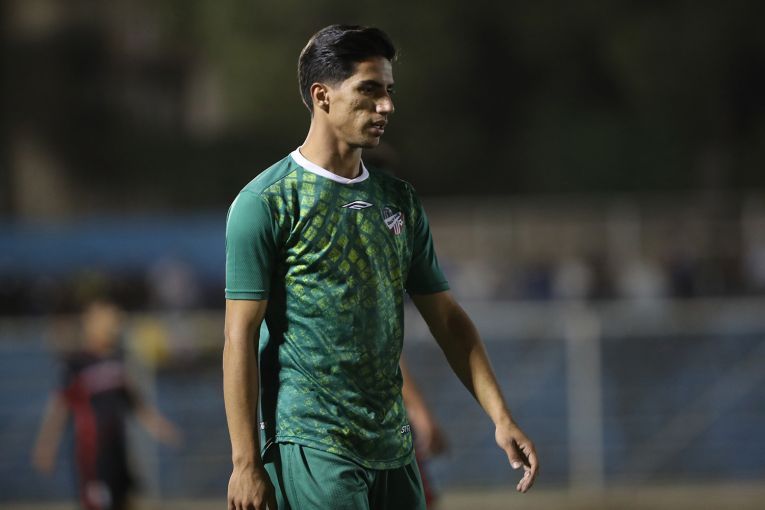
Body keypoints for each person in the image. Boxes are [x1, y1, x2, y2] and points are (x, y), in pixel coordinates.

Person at [223, 24, 539, 510]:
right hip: (312, 443)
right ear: (322, 96)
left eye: (389, 91)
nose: (386, 106)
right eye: (369, 90)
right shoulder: (266, 203)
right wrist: (245, 462)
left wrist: (501, 416)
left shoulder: (399, 201)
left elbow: (448, 319)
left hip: (393, 447)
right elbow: (238, 337)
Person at [32, 298, 181, 510]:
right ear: (89, 322)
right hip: (92, 455)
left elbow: (136, 405)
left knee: (126, 502)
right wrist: (46, 446)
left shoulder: (119, 360)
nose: (112, 325)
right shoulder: (76, 364)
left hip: (118, 452)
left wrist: (161, 428)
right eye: (105, 319)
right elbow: (59, 408)